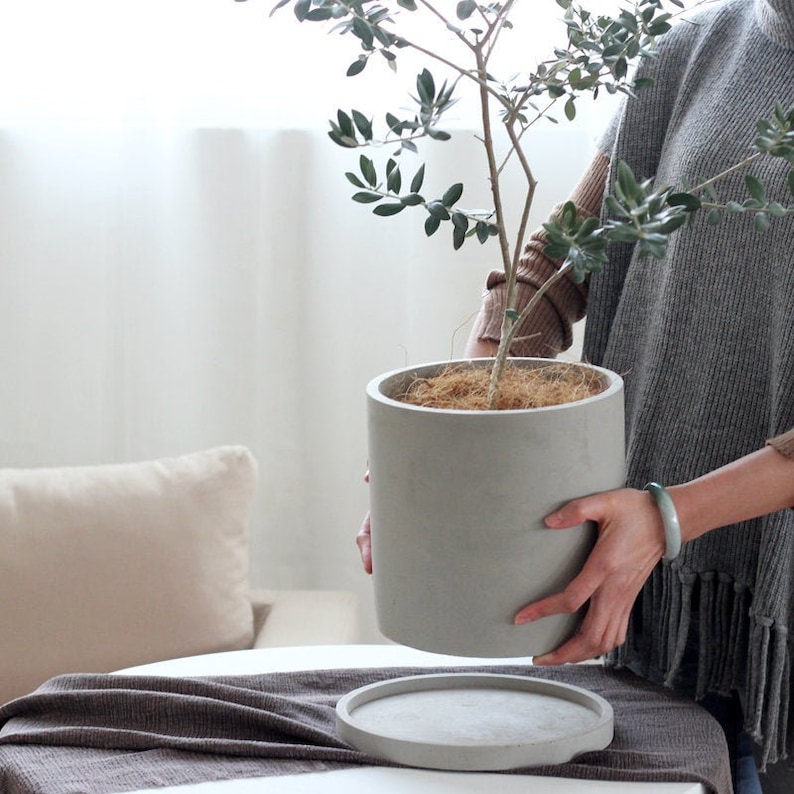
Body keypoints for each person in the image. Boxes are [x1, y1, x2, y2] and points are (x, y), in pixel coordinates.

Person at [358, 0, 794, 790]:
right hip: (654, 582)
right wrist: (455, 444)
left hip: (747, 590)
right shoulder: (691, 51)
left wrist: (670, 517)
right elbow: (555, 269)